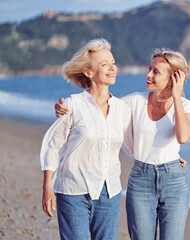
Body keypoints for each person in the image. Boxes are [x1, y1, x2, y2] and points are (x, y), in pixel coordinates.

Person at [55, 49, 190, 240]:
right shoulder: (132, 101)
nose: (148, 74)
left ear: (172, 79)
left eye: (156, 72)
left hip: (174, 180)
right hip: (140, 179)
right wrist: (66, 107)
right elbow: (98, 111)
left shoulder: (185, 105)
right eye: (149, 68)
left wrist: (177, 96)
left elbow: (183, 136)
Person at [40, 38, 132, 240]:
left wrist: (169, 158)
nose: (112, 68)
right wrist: (47, 187)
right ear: (89, 72)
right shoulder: (72, 105)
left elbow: (133, 143)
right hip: (73, 190)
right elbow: (52, 146)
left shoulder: (122, 109)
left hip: (109, 191)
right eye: (104, 64)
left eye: (113, 63)